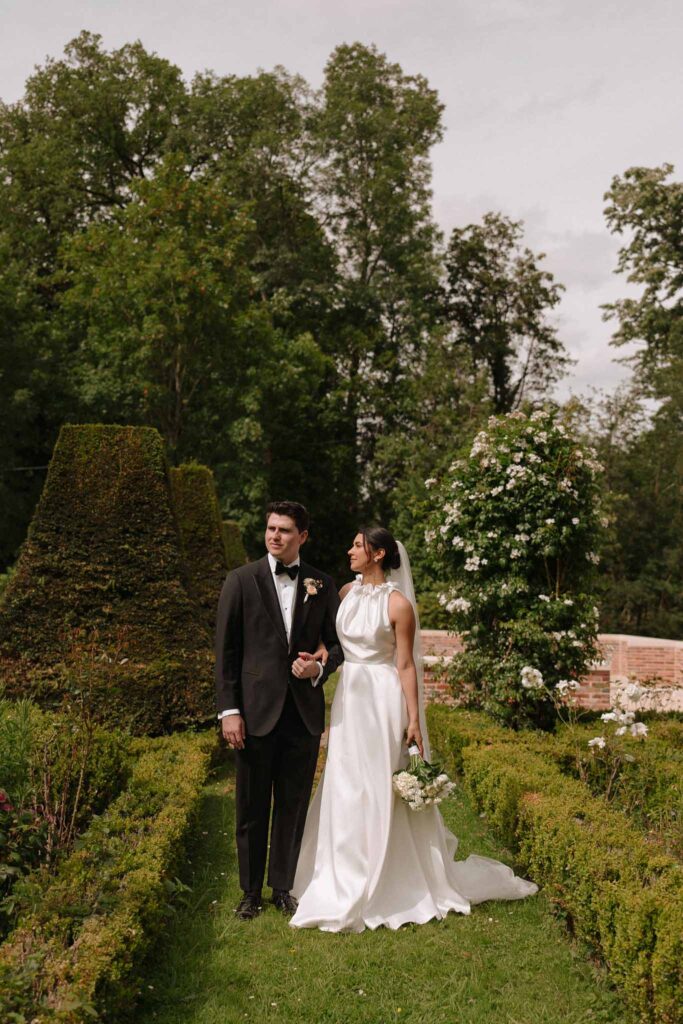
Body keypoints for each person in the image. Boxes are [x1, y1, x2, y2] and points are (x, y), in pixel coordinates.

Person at [289, 527, 538, 932]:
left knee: (377, 781)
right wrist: (320, 653)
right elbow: (337, 644)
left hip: (381, 698)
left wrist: (413, 720)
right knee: (345, 779)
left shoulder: (399, 604)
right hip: (350, 696)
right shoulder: (346, 594)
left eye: (357, 545)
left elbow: (405, 665)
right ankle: (341, 870)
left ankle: (389, 876)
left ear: (378, 553)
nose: (349, 550)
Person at [215, 501, 343, 921]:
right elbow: (226, 653)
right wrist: (229, 710)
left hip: (302, 714)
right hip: (253, 713)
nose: (275, 536)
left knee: (293, 805)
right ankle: (249, 891)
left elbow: (338, 645)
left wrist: (318, 666)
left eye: (285, 530)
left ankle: (283, 887)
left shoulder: (322, 585)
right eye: (271, 528)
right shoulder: (240, 580)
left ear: (303, 536)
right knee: (251, 806)